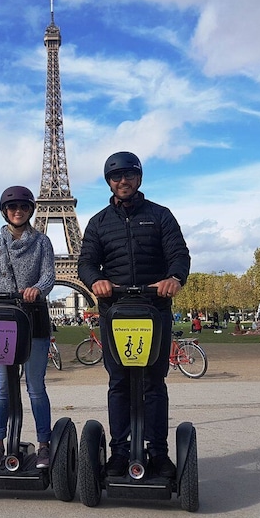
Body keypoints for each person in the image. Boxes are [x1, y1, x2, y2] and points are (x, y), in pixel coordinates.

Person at [78, 151, 190, 479]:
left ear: (139, 178)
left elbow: (178, 253)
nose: (122, 181)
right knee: (119, 382)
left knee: (154, 382)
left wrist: (174, 278)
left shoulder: (160, 216)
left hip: (154, 309)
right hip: (116, 311)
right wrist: (95, 279)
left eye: (128, 175)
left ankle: (158, 452)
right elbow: (86, 261)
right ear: (109, 182)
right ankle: (120, 450)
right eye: (116, 177)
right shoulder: (98, 222)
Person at [0, 185, 56, 470]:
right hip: (3, 321)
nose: (17, 211)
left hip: (33, 321)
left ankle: (44, 443)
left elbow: (49, 277)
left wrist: (36, 289)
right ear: (4, 211)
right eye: (12, 207)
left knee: (35, 388)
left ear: (30, 210)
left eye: (22, 207)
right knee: (1, 389)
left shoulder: (42, 242)